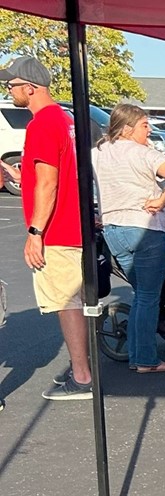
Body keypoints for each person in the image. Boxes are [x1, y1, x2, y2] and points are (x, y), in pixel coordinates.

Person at [6, 56, 92, 400]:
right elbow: (49, 173)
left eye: (11, 84)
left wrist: (35, 233)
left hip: (57, 230)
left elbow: (48, 182)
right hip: (72, 224)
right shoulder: (63, 119)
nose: (8, 89)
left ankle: (82, 377)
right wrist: (16, 173)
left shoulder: (42, 123)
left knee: (66, 301)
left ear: (30, 87)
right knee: (72, 299)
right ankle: (80, 370)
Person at [93, 103, 165, 374]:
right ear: (127, 128)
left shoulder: (97, 153)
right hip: (146, 229)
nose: (149, 130)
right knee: (148, 297)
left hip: (113, 230)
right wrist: (162, 201)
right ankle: (146, 359)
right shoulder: (144, 153)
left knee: (141, 295)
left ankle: (137, 353)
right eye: (145, 125)